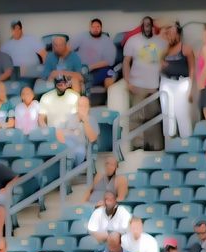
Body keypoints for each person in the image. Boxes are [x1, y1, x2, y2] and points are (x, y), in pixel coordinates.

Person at [123, 16, 166, 151]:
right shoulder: (132, 40)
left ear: (152, 26)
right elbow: (126, 62)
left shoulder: (161, 42)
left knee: (154, 117)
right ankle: (137, 146)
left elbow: (165, 61)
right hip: (137, 85)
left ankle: (153, 146)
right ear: (141, 26)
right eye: (145, 25)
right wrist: (128, 82)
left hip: (154, 86)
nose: (147, 27)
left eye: (149, 25)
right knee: (136, 117)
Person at [159, 21, 195, 138]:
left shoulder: (186, 49)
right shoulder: (164, 50)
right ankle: (169, 142)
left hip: (182, 83)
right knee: (167, 114)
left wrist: (191, 90)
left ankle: (186, 141)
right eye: (168, 33)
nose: (169, 36)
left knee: (182, 113)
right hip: (166, 82)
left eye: (172, 33)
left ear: (178, 34)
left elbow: (192, 69)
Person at [70, 18, 117, 88]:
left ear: (101, 28)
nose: (95, 29)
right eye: (93, 27)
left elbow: (109, 61)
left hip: (99, 69)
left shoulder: (107, 41)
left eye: (98, 27)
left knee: (110, 75)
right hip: (82, 69)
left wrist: (90, 67)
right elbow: (68, 49)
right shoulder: (82, 37)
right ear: (90, 28)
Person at [58, 96, 99, 165]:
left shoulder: (92, 120)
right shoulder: (69, 117)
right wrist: (69, 132)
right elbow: (59, 132)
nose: (82, 108)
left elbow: (93, 139)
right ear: (77, 107)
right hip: (66, 145)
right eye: (80, 106)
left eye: (85, 106)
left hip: (79, 147)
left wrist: (85, 120)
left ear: (89, 107)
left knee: (75, 152)